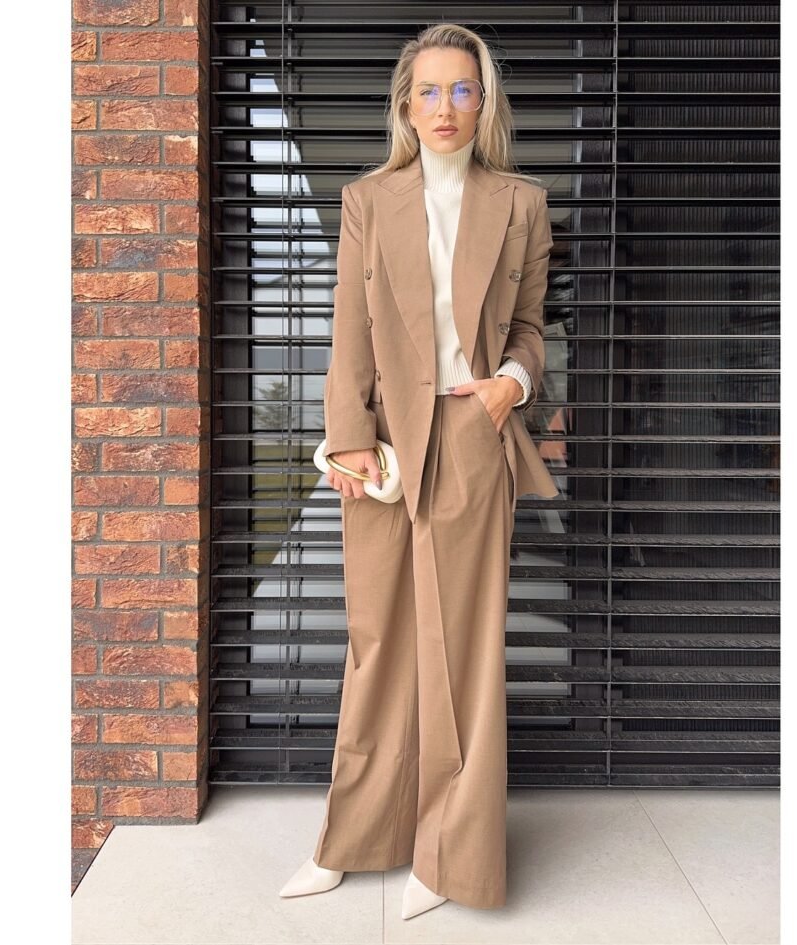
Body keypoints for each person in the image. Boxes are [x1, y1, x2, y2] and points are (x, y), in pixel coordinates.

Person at [279, 22, 557, 918]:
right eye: (430, 90)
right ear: (405, 102)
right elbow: (348, 332)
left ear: (485, 103)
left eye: (463, 90)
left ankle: (450, 853)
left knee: (465, 654)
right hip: (385, 445)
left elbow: (529, 330)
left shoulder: (520, 203)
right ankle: (354, 838)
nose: (446, 107)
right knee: (379, 643)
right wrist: (347, 436)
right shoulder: (369, 199)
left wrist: (509, 387)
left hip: (473, 432)